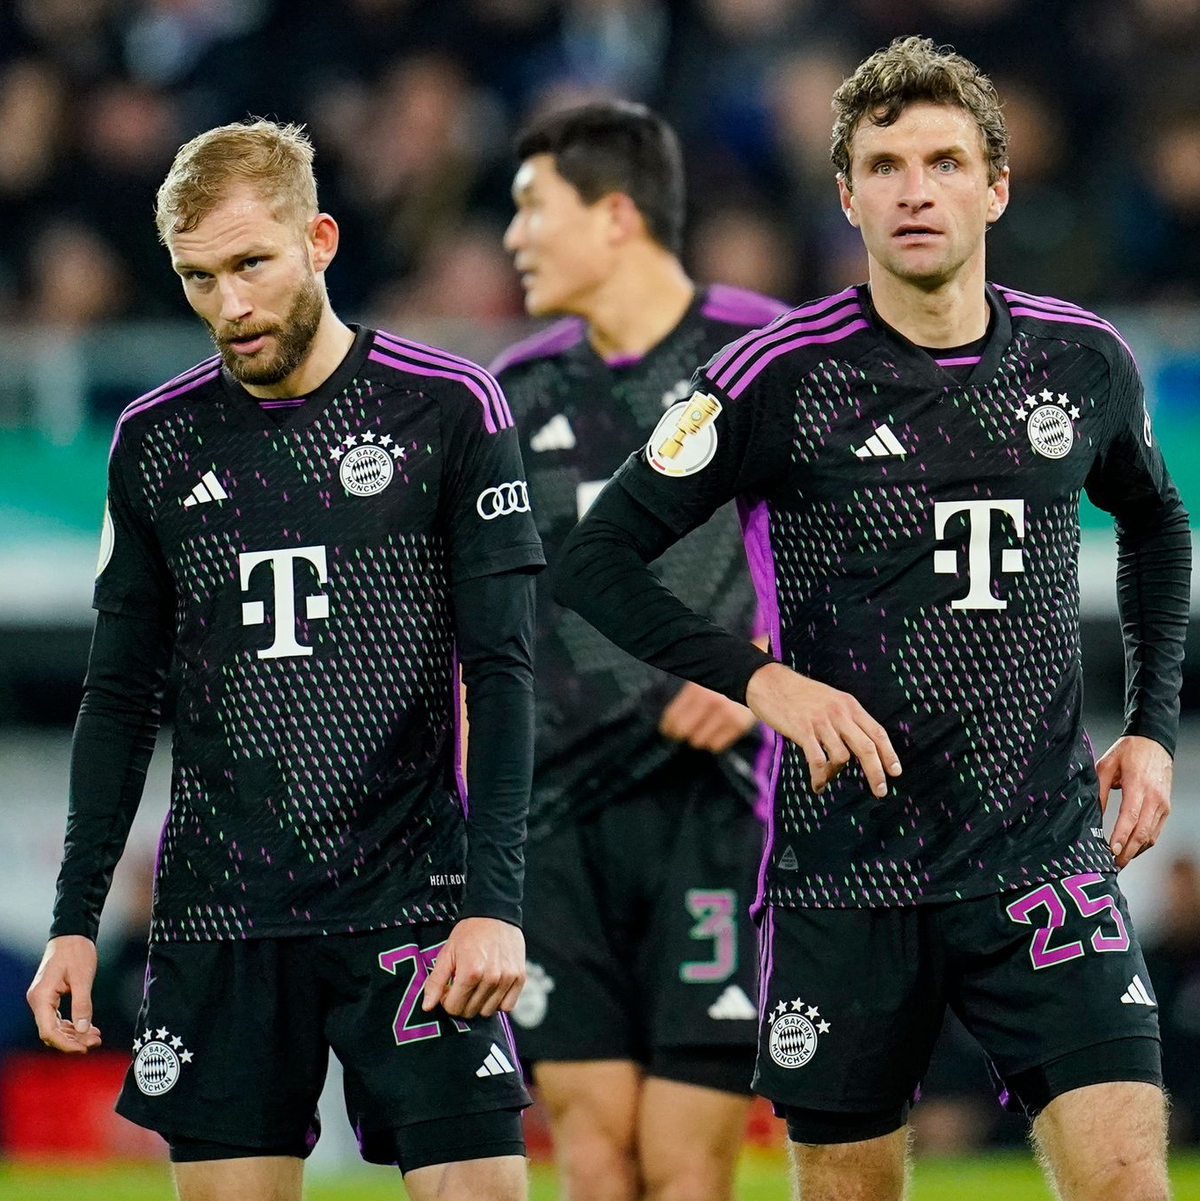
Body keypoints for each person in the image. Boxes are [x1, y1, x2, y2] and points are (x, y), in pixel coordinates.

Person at [553, 37, 1191, 1201]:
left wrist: (1151, 723)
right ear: (845, 194)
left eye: (944, 161)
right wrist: (760, 682)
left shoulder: (1082, 360)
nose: (914, 189)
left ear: (995, 186)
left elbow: (1155, 524)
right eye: (885, 164)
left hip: (1040, 857)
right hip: (847, 870)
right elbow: (593, 560)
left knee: (1127, 1183)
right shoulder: (769, 376)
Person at [25, 119, 545, 1201]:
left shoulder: (448, 408)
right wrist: (74, 919)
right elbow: (119, 697)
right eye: (198, 277)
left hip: (417, 898)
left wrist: (496, 902)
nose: (230, 304)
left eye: (251, 263)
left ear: (320, 238)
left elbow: (501, 674)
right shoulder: (155, 440)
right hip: (223, 908)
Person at [492, 100, 787, 1200]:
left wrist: (761, 664)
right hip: (558, 820)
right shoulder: (516, 395)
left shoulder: (761, 356)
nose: (512, 238)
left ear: (615, 215)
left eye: (532, 209)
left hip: (716, 808)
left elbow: (854, 544)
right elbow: (490, 611)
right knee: (594, 1152)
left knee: (684, 1162)